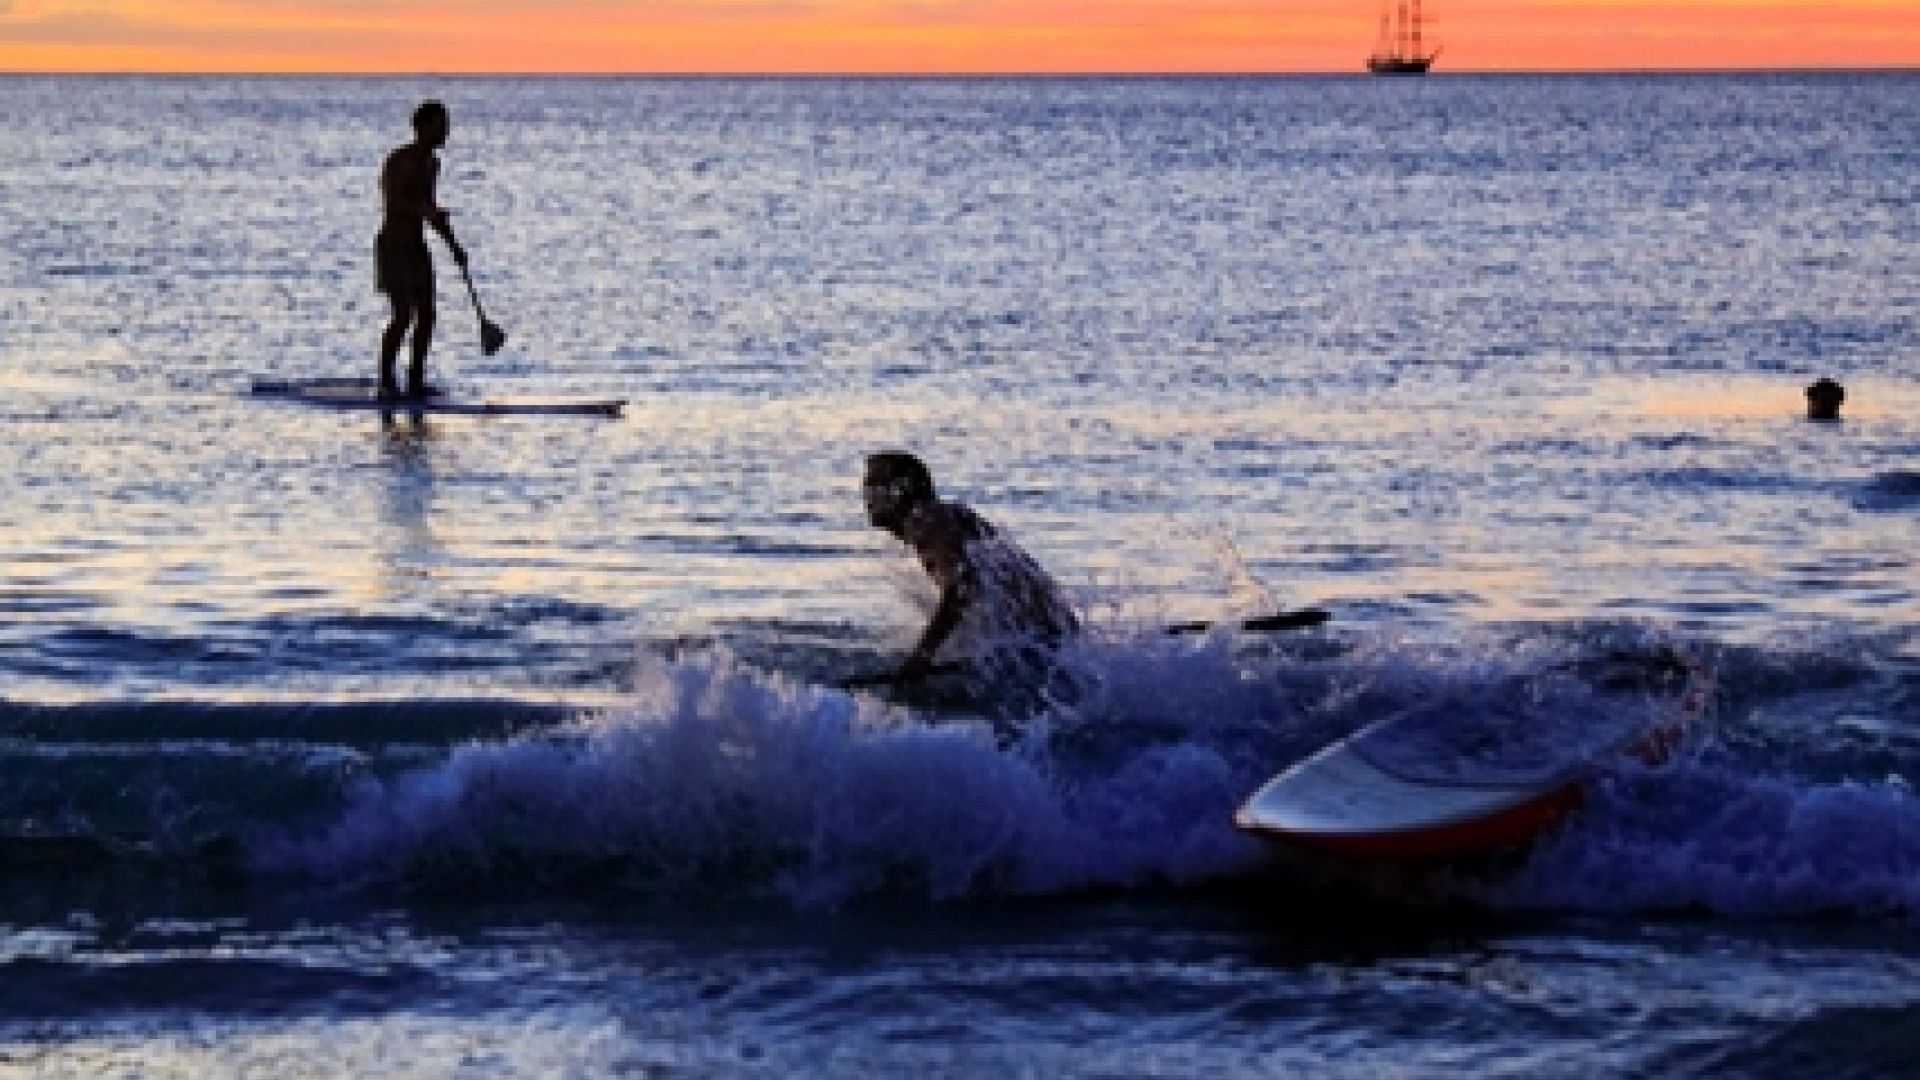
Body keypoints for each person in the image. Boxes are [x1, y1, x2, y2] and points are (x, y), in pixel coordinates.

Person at [863, 452, 1079, 684]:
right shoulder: (942, 517)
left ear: (899, 491)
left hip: (1042, 649)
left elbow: (962, 586)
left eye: (873, 487)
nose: (867, 498)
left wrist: (920, 660)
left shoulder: (928, 520)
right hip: (1055, 645)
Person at [376, 100, 468, 400]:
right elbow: (394, 202)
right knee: (403, 314)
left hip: (417, 247)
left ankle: (415, 380)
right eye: (441, 125)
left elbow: (428, 206)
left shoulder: (432, 164)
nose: (447, 131)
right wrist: (426, 212)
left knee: (427, 315)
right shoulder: (398, 161)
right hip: (393, 247)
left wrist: (454, 246)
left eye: (447, 125)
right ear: (423, 127)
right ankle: (386, 382)